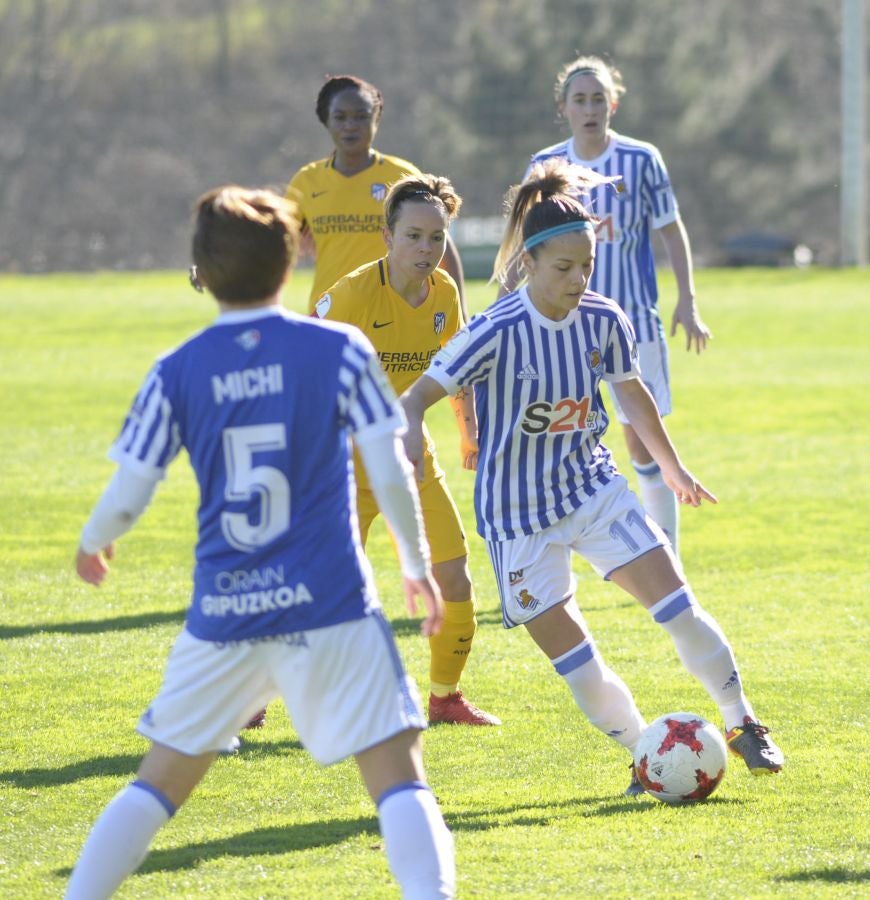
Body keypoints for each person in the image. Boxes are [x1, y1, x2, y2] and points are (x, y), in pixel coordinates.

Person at [65, 186, 456, 899]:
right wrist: (414, 562)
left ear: (203, 271)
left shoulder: (178, 368)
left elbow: (128, 493)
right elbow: (389, 464)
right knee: (399, 778)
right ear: (291, 260)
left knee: (156, 786)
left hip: (226, 613)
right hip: (333, 604)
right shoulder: (340, 348)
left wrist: (95, 541)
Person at [408, 159, 781, 792]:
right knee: (576, 660)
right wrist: (408, 435)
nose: (579, 279)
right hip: (518, 519)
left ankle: (743, 722)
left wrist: (673, 467)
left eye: (587, 265)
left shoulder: (605, 319)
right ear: (529, 262)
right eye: (564, 267)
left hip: (593, 491)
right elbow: (415, 397)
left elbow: (631, 392)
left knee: (679, 608)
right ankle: (645, 755)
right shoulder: (494, 331)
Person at [502, 55, 708, 555]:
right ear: (564, 108)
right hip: (562, 324)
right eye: (580, 100)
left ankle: (666, 553)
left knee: (643, 439)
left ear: (613, 105)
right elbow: (523, 240)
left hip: (634, 321)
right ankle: (548, 547)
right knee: (554, 431)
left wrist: (687, 300)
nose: (590, 108)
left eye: (599, 99)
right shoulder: (546, 164)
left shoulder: (641, 159)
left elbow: (670, 228)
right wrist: (503, 302)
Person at [315, 173, 497, 726]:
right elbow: (305, 370)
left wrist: (468, 432)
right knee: (320, 589)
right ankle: (255, 695)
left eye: (437, 238)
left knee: (454, 574)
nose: (426, 249)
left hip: (411, 463)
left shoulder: (444, 293)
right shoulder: (350, 295)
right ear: (388, 236)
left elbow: (456, 368)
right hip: (341, 468)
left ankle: (445, 697)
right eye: (414, 236)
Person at [287, 74, 466, 313]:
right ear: (326, 120)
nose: (350, 125)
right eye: (340, 117)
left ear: (376, 119)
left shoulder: (401, 175)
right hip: (329, 313)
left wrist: (461, 312)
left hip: (391, 312)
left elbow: (438, 239)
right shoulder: (306, 181)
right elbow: (280, 245)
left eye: (361, 116)